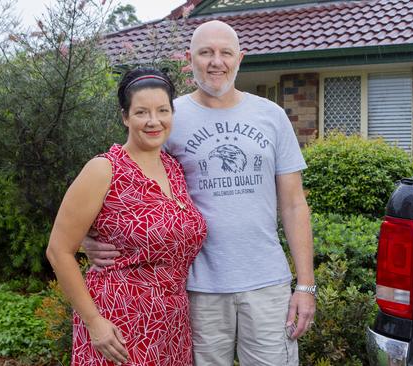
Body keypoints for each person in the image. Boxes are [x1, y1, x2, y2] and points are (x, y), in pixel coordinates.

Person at [84, 20, 315, 365]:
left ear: (241, 58)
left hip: (267, 283)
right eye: (205, 52)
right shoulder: (168, 116)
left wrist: (306, 286)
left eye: (225, 53)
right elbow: (126, 181)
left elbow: (295, 205)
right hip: (197, 288)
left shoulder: (272, 116)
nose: (215, 61)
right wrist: (90, 236)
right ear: (190, 58)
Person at [46, 68, 207, 366]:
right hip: (117, 326)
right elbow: (58, 250)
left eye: (162, 110)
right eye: (141, 112)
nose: (153, 121)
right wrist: (94, 322)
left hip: (171, 327)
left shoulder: (175, 168)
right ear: (125, 117)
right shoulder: (104, 170)